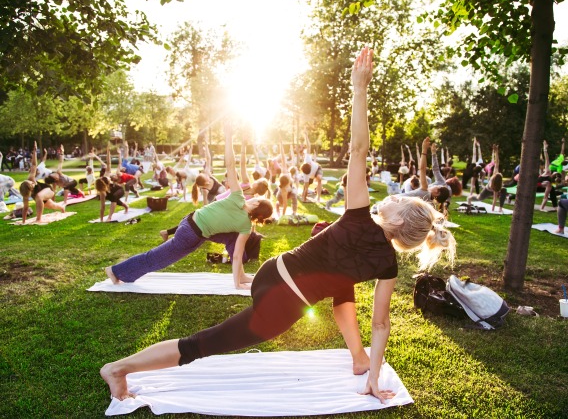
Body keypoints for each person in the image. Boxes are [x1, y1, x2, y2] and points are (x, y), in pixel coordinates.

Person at [100, 47, 456, 403]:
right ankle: (118, 369)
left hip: (275, 271)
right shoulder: (386, 263)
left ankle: (358, 360)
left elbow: (358, 150)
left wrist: (359, 89)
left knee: (342, 284)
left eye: (396, 201)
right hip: (282, 305)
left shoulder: (358, 216)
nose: (390, 198)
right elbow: (381, 325)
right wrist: (375, 379)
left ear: (395, 219)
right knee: (203, 344)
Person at [106, 121, 273, 289]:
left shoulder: (238, 198)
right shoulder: (245, 224)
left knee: (230, 237)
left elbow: (230, 165)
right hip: (191, 233)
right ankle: (115, 271)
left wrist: (228, 137)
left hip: (193, 223)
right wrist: (237, 286)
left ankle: (241, 275)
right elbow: (237, 256)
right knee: (157, 258)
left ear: (257, 202)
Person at [397, 139, 451, 213]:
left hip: (398, 201)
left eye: (438, 187)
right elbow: (435, 169)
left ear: (437, 192)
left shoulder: (425, 189)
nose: (435, 186)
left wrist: (424, 150)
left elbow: (422, 169)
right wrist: (433, 153)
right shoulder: (431, 203)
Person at [18, 142, 65, 224]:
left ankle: (38, 219)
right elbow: (25, 208)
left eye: (32, 183)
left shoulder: (31, 178)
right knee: (53, 206)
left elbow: (33, 164)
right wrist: (23, 221)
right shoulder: (25, 195)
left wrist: (35, 151)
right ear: (29, 191)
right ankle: (62, 208)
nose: (34, 183)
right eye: (32, 186)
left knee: (39, 196)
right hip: (41, 197)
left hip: (48, 190)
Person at [94, 144, 130, 222]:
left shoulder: (106, 176)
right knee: (115, 199)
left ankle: (110, 217)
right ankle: (126, 206)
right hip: (111, 194)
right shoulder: (102, 192)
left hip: (119, 190)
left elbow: (109, 163)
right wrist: (101, 219)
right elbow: (102, 206)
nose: (110, 181)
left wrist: (108, 151)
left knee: (114, 197)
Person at [467, 144, 507, 212]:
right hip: (487, 190)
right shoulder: (494, 177)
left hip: (493, 189)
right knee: (479, 198)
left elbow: (497, 162)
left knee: (504, 190)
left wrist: (496, 151)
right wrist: (493, 210)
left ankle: (500, 207)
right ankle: (469, 198)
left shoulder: (497, 183)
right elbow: (497, 162)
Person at [300, 132, 324, 203]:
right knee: (306, 186)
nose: (310, 164)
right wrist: (304, 199)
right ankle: (303, 196)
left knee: (319, 179)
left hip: (318, 168)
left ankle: (318, 197)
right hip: (311, 176)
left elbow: (309, 146)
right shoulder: (306, 175)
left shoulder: (307, 159)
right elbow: (306, 187)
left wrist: (306, 136)